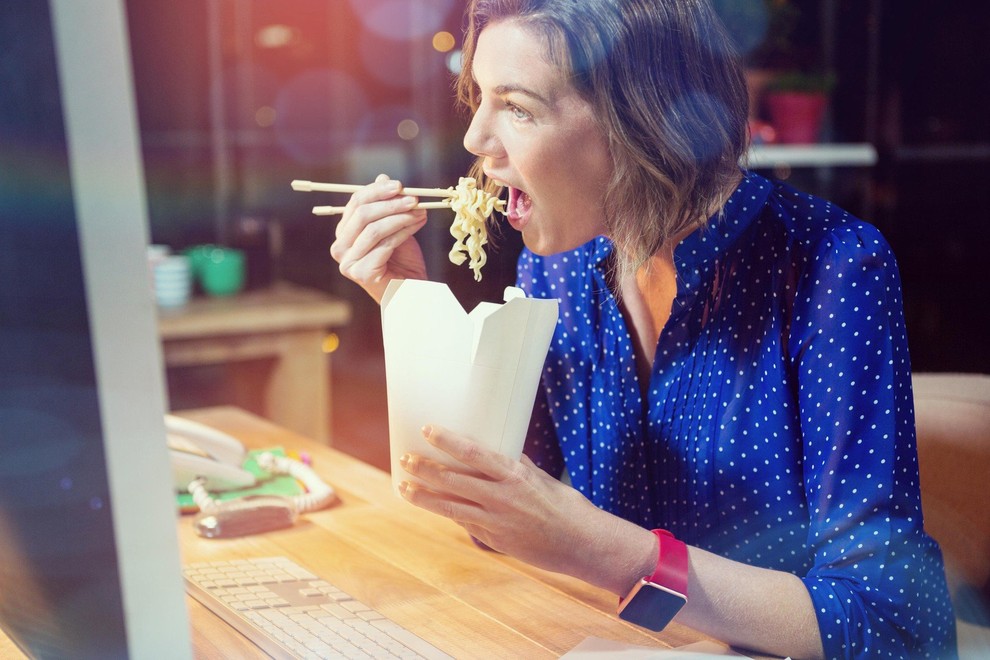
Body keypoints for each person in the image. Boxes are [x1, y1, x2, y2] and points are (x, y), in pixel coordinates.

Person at [328, 0, 957, 657]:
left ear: (639, 119)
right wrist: (409, 303)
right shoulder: (561, 265)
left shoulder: (833, 268)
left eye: (516, 107)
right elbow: (495, 515)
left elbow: (895, 629)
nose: (476, 140)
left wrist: (600, 549)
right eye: (478, 98)